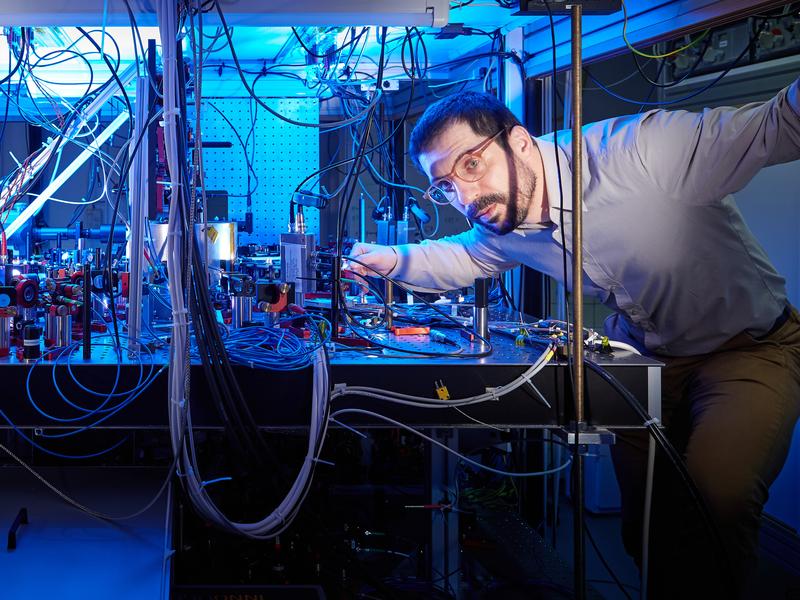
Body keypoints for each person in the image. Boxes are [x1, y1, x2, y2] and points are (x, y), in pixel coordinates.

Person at [347, 85, 800, 598]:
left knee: (717, 497)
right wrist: (387, 259)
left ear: (518, 141)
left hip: (749, 349)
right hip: (646, 357)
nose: (466, 198)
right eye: (446, 186)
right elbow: (467, 256)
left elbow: (778, 123)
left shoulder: (641, 151)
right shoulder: (505, 222)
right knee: (647, 525)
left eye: (470, 166)